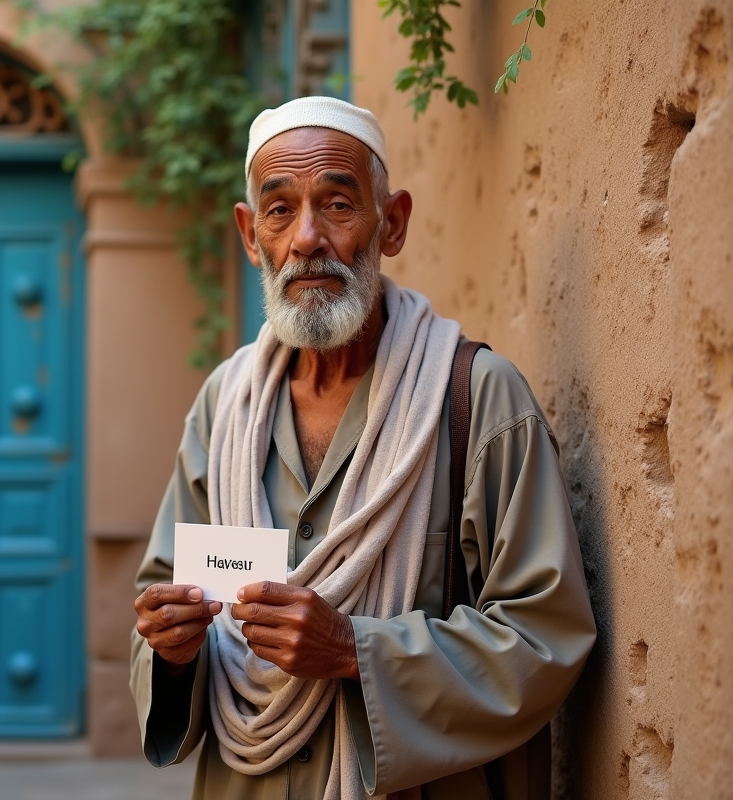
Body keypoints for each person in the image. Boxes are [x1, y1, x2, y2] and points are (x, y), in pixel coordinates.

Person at [129, 96, 596, 800]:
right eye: (280, 210)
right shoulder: (223, 408)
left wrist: (355, 650)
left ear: (392, 222)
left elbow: (545, 634)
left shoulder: (477, 398)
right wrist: (169, 648)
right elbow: (163, 592)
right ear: (252, 235)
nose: (308, 237)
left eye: (339, 204)